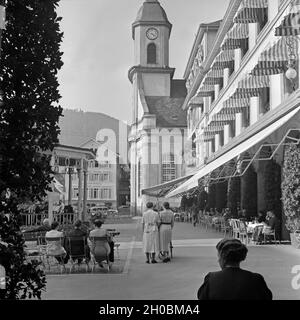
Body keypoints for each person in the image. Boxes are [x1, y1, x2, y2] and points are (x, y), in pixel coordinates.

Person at [197, 238, 272, 300]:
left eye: (218, 257)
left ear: (223, 258)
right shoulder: (256, 279)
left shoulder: (211, 279)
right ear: (242, 257)